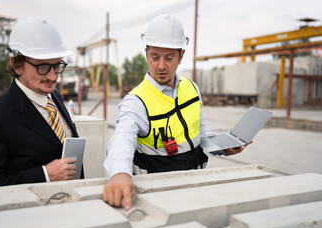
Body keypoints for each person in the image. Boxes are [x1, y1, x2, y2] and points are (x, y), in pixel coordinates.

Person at [102, 13, 246, 210]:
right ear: (146, 54)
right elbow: (122, 138)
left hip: (195, 184)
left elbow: (199, 133)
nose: (161, 65)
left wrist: (224, 147)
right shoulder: (136, 101)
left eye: (169, 58)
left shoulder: (192, 88)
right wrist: (119, 173)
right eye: (155, 57)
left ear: (181, 56)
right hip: (157, 194)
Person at [0, 16, 81, 189]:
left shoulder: (54, 97)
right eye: (43, 67)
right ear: (17, 65)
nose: (52, 76)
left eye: (57, 66)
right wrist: (45, 174)